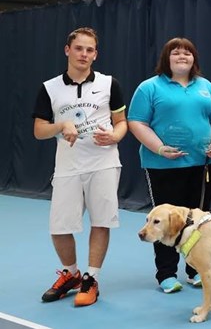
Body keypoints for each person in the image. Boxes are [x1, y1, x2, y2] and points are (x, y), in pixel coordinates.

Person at [32, 27, 128, 307]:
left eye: (89, 50)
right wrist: (61, 125)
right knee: (59, 227)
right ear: (67, 50)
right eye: (79, 48)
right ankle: (72, 275)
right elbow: (39, 130)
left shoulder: (110, 84)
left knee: (100, 221)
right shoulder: (50, 88)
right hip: (68, 165)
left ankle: (91, 278)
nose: (84, 54)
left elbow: (121, 122)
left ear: (95, 54)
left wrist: (115, 135)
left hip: (104, 163)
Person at [128, 38, 211, 293]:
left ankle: (196, 269)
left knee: (198, 221)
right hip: (162, 167)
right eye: (176, 53)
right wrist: (159, 148)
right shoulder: (149, 87)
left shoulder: (205, 87)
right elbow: (136, 122)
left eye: (188, 53)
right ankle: (166, 274)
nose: (182, 56)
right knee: (163, 223)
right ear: (166, 58)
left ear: (195, 59)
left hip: (201, 166)